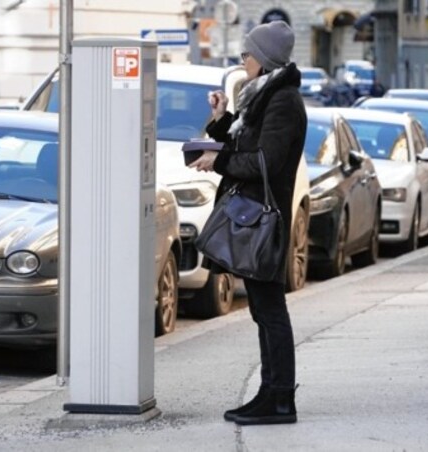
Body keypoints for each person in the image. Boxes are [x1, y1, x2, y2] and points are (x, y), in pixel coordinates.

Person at [188, 20, 306, 426]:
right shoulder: (262, 95)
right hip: (253, 215)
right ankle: (270, 393)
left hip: (262, 219)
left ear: (265, 58)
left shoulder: (283, 101)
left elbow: (265, 162)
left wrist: (216, 161)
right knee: (263, 308)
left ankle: (279, 399)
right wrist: (221, 119)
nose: (243, 60)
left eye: (247, 53)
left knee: (270, 310)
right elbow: (244, 144)